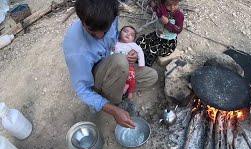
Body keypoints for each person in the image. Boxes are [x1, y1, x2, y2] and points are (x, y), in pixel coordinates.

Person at [63, 0, 158, 128]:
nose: (100, 36)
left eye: (105, 30)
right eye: (92, 32)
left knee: (151, 76)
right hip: (99, 78)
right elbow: (82, 90)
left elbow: (116, 39)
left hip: (115, 62)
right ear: (82, 20)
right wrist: (113, 110)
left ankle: (118, 90)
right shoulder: (76, 49)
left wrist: (129, 52)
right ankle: (112, 99)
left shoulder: (110, 17)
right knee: (120, 62)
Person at [136, 0, 184, 66]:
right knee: (141, 40)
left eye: (175, 5)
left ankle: (144, 67)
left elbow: (179, 30)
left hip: (168, 43)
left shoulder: (179, 15)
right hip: (157, 36)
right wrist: (151, 3)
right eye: (169, 5)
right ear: (163, 3)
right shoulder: (160, 9)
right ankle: (137, 58)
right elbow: (153, 5)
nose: (172, 7)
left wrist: (168, 23)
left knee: (151, 50)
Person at [114, 26, 145, 99]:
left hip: (128, 66)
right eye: (125, 31)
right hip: (116, 64)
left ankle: (130, 91)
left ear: (133, 40)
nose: (128, 34)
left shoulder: (132, 45)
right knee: (118, 76)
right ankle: (122, 87)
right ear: (120, 32)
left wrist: (141, 63)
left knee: (131, 76)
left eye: (131, 35)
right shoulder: (115, 42)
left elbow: (140, 51)